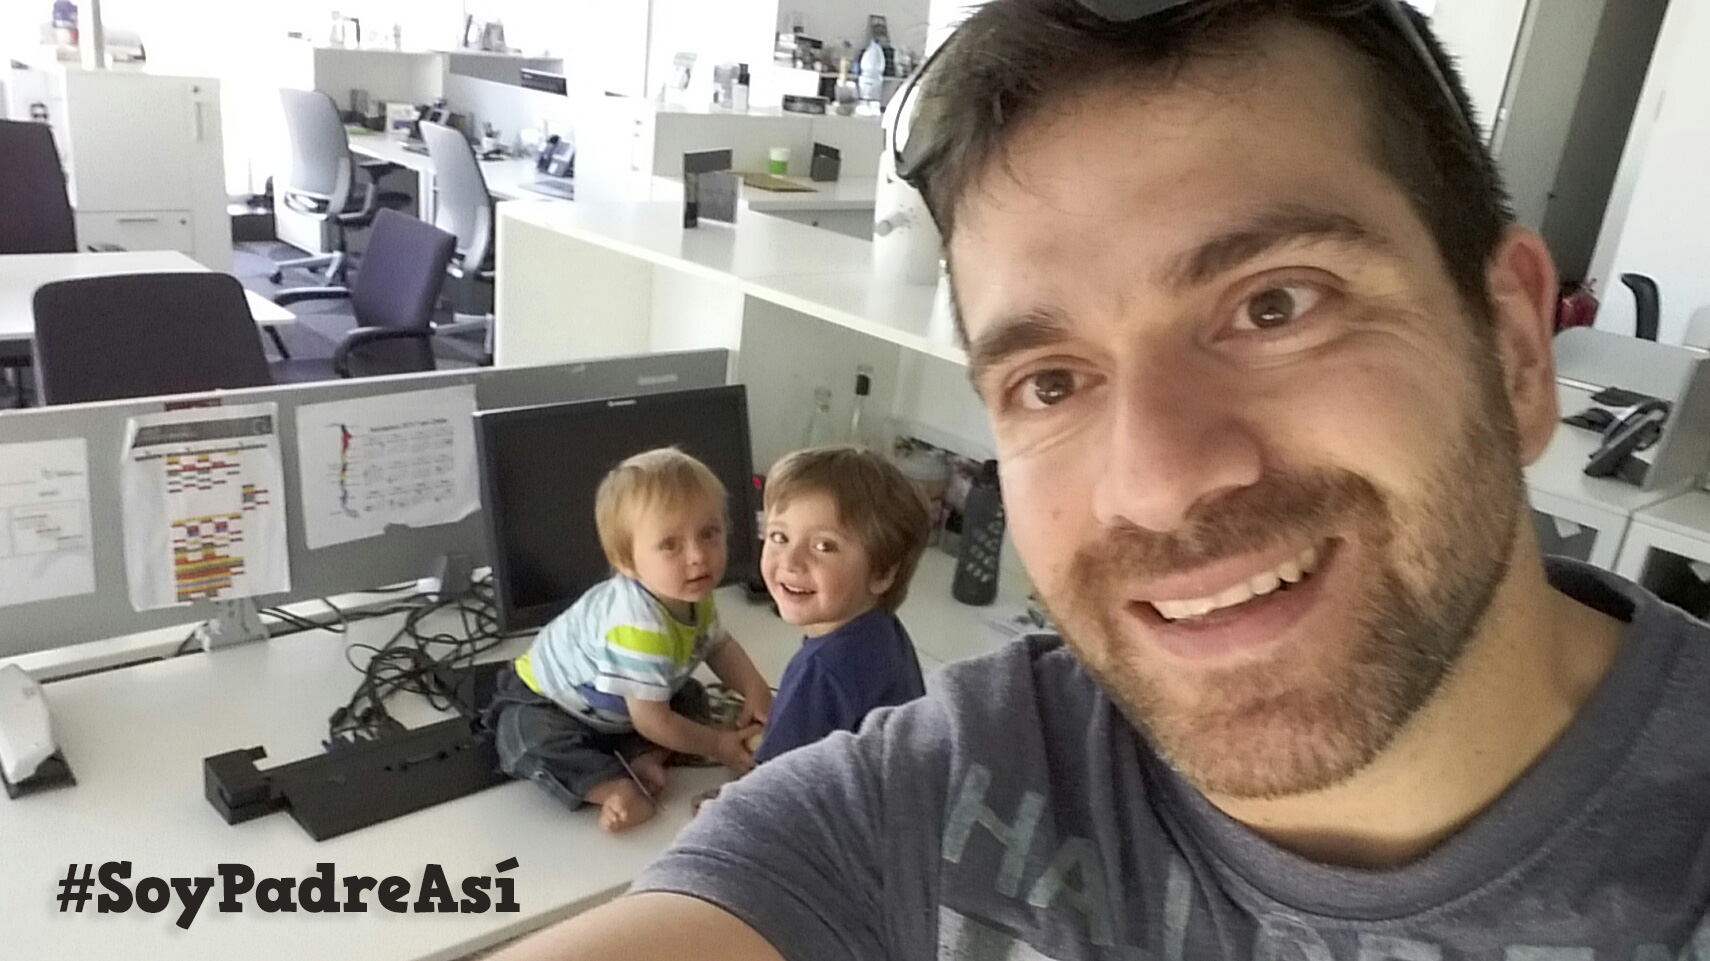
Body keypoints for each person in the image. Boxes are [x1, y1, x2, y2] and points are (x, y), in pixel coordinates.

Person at [490, 0, 1710, 955]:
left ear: (1514, 344)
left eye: (1275, 304)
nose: (1159, 482)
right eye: (1052, 381)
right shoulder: (921, 808)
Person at [482, 447, 771, 833]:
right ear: (627, 562)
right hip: (552, 702)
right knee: (525, 741)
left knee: (692, 697)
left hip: (626, 707)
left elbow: (719, 645)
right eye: (670, 545)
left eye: (709, 534)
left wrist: (755, 691)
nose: (698, 556)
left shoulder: (690, 591)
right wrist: (718, 745)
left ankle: (644, 759)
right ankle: (611, 787)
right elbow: (651, 719)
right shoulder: (637, 626)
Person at [752, 445, 931, 763]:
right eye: (780, 537)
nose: (791, 561)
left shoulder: (821, 670)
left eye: (824, 546)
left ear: (881, 573)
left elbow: (773, 783)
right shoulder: (885, 632)